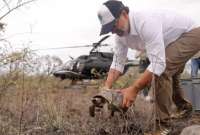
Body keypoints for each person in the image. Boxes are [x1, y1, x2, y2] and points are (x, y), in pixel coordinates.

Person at [97, 0, 200, 123]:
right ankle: (184, 108)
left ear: (124, 14)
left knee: (163, 69)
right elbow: (118, 63)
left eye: (113, 25)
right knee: (170, 72)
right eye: (109, 29)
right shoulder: (120, 36)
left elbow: (158, 64)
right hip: (169, 43)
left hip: (190, 33)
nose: (113, 31)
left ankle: (162, 124)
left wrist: (134, 89)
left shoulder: (145, 22)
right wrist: (106, 89)